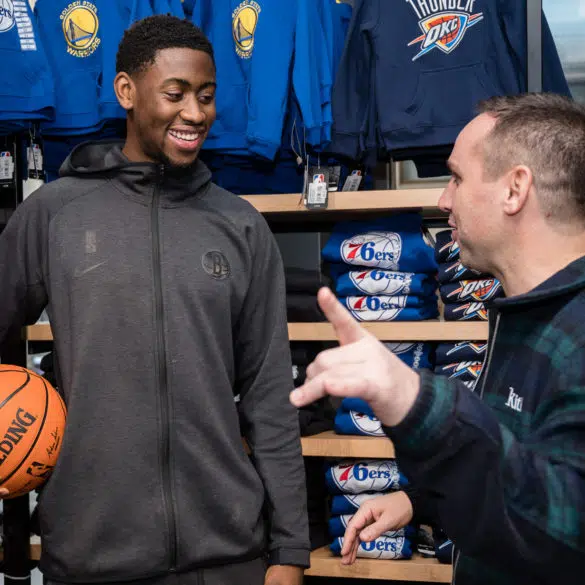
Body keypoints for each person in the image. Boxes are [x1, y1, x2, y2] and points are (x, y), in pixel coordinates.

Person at [0, 15, 309, 585]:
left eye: (207, 96)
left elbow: (269, 395)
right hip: (92, 553)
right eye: (176, 94)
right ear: (126, 92)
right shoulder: (53, 215)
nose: (195, 113)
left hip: (228, 555)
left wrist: (290, 552)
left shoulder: (240, 227)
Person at [290, 93, 585, 584]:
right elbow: (527, 470)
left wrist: (414, 398)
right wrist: (418, 500)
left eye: (456, 177)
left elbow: (570, 530)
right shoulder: (528, 315)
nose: (443, 199)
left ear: (515, 190)